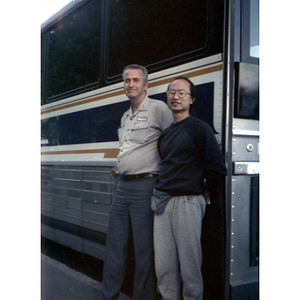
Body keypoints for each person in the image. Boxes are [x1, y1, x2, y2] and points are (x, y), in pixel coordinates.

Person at [99, 64, 173, 300]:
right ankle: (107, 296)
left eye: (135, 80)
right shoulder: (125, 115)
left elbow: (174, 143)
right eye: (127, 80)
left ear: (146, 84)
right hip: (122, 186)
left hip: (146, 186)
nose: (130, 84)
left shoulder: (158, 109)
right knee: (114, 246)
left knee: (144, 250)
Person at [151, 77, 227, 300]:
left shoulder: (200, 129)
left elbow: (217, 169)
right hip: (163, 204)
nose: (175, 96)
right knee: (164, 266)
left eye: (181, 93)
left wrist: (201, 195)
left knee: (190, 266)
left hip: (187, 203)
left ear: (192, 99)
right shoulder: (164, 135)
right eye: (171, 92)